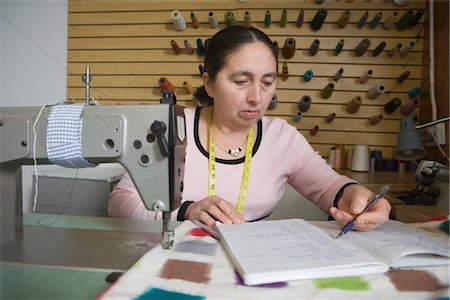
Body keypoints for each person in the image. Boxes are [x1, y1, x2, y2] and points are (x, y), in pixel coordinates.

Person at [108, 25, 391, 230]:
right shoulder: (170, 128)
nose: (257, 97)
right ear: (209, 83)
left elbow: (331, 186)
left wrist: (354, 195)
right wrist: (186, 211)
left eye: (267, 82)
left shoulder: (282, 138)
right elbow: (120, 203)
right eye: (241, 81)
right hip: (174, 262)